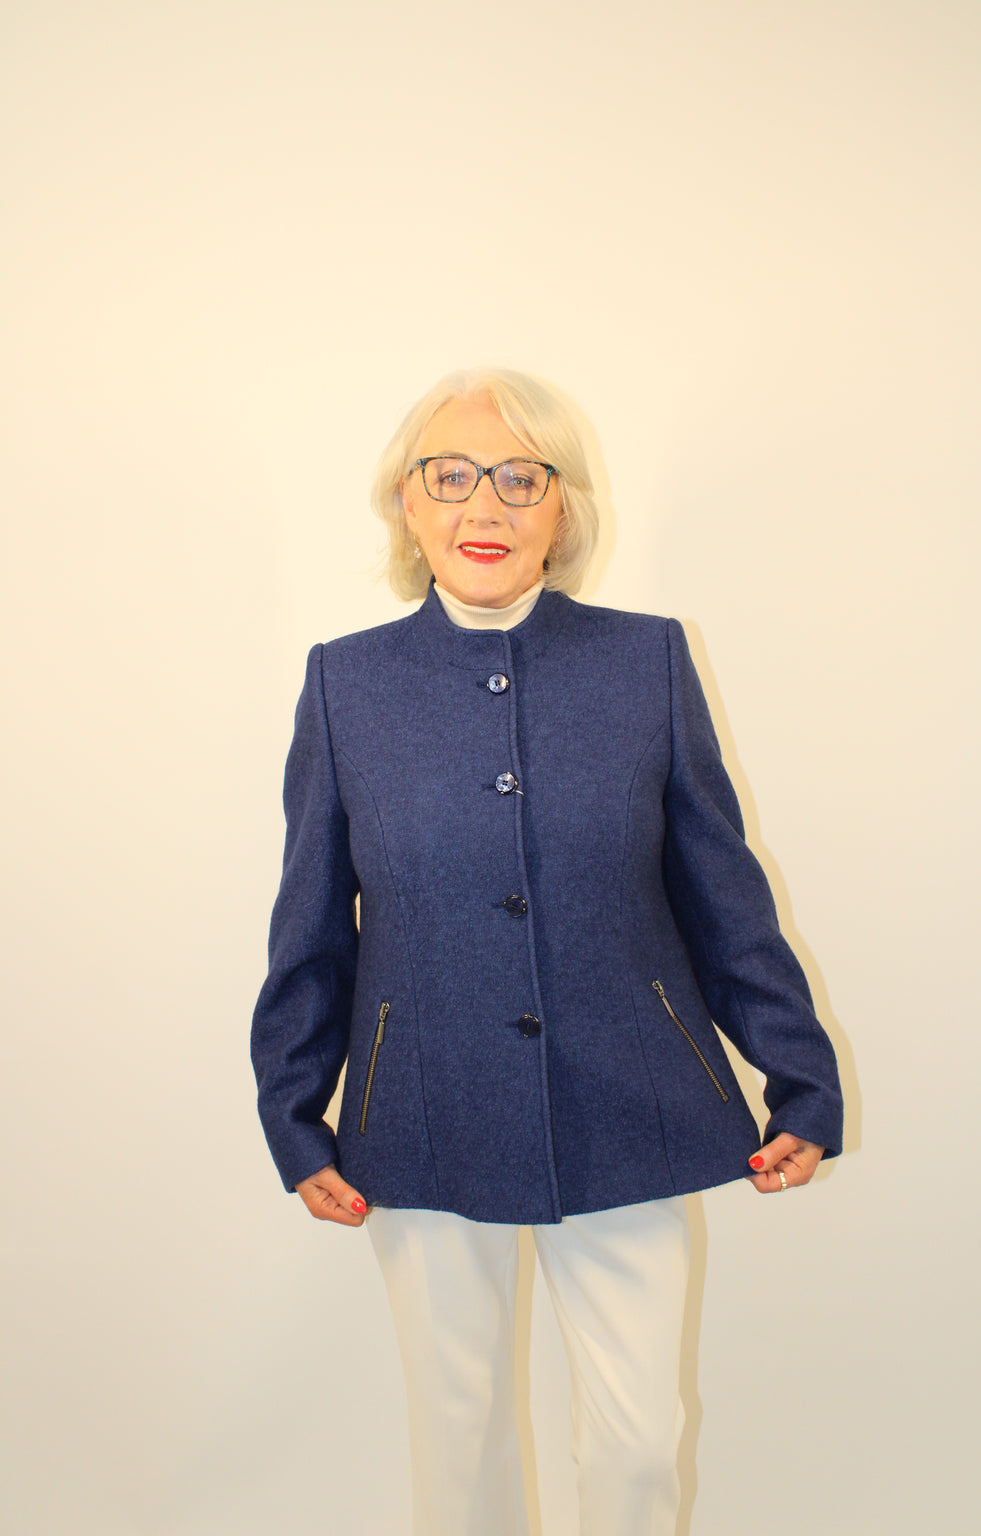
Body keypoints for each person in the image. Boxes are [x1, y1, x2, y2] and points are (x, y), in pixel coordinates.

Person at [251, 368, 843, 1536]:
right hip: (423, 1102)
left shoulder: (646, 662)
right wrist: (293, 1111)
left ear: (562, 506)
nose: (486, 505)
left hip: (631, 1095)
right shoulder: (347, 683)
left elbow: (722, 896)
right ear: (407, 503)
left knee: (638, 1442)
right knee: (458, 1436)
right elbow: (310, 919)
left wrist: (801, 1078)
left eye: (521, 478)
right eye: (451, 476)